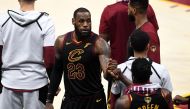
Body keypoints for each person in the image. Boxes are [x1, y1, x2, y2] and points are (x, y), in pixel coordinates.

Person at [45, 7, 117, 109]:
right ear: (73, 21)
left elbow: (106, 73)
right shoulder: (61, 41)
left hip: (94, 99)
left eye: (88, 21)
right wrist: (49, 101)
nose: (85, 25)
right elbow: (57, 72)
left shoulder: (99, 43)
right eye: (81, 21)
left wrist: (110, 72)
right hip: (71, 99)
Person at [99, 0, 159, 105]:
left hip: (122, 74)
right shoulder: (146, 7)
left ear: (133, 10)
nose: (127, 10)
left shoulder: (109, 10)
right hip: (125, 75)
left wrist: (104, 70)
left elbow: (102, 44)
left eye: (129, 8)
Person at [0, 0, 55, 108]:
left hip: (8, 83)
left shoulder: (2, 19)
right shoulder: (46, 21)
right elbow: (49, 61)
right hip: (37, 84)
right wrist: (53, 85)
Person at [110, 29, 173, 109]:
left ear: (131, 45)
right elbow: (168, 98)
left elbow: (114, 98)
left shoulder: (119, 70)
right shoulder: (161, 70)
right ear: (148, 46)